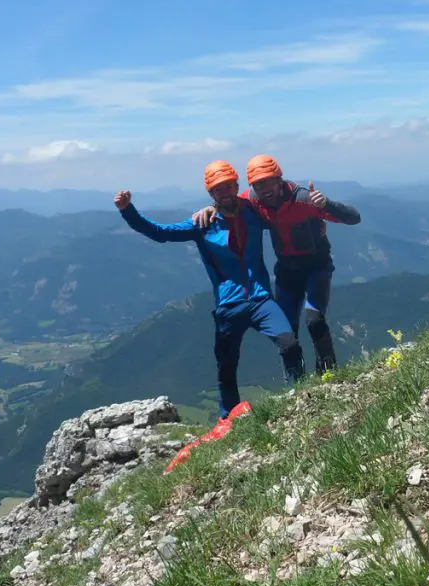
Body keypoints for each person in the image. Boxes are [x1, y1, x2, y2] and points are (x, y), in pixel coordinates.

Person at [114, 160, 306, 425]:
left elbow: (279, 205)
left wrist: (311, 199)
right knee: (226, 369)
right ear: (211, 194)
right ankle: (228, 421)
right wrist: (128, 211)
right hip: (229, 307)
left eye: (228, 187)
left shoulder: (253, 210)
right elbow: (160, 233)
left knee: (290, 344)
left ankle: (299, 397)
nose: (224, 193)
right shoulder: (203, 224)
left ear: (237, 187)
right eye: (218, 190)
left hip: (261, 299)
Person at [194, 155, 361, 373]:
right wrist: (210, 208)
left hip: (316, 268)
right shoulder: (253, 201)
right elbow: (229, 202)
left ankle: (329, 374)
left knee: (314, 320)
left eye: (268, 181)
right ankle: (296, 383)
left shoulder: (304, 199)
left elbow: (354, 218)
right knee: (287, 334)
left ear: (279, 179)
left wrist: (327, 204)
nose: (264, 189)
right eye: (258, 184)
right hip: (286, 272)